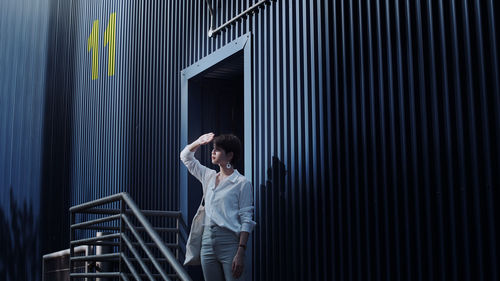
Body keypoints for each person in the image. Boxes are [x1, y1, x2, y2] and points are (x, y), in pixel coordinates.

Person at [180, 132, 257, 281]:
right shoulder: (208, 176)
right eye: (213, 148)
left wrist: (241, 251)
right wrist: (198, 141)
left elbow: (246, 219)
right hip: (207, 241)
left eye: (218, 149)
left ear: (229, 156)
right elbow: (185, 157)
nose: (213, 152)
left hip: (230, 243)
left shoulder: (242, 183)